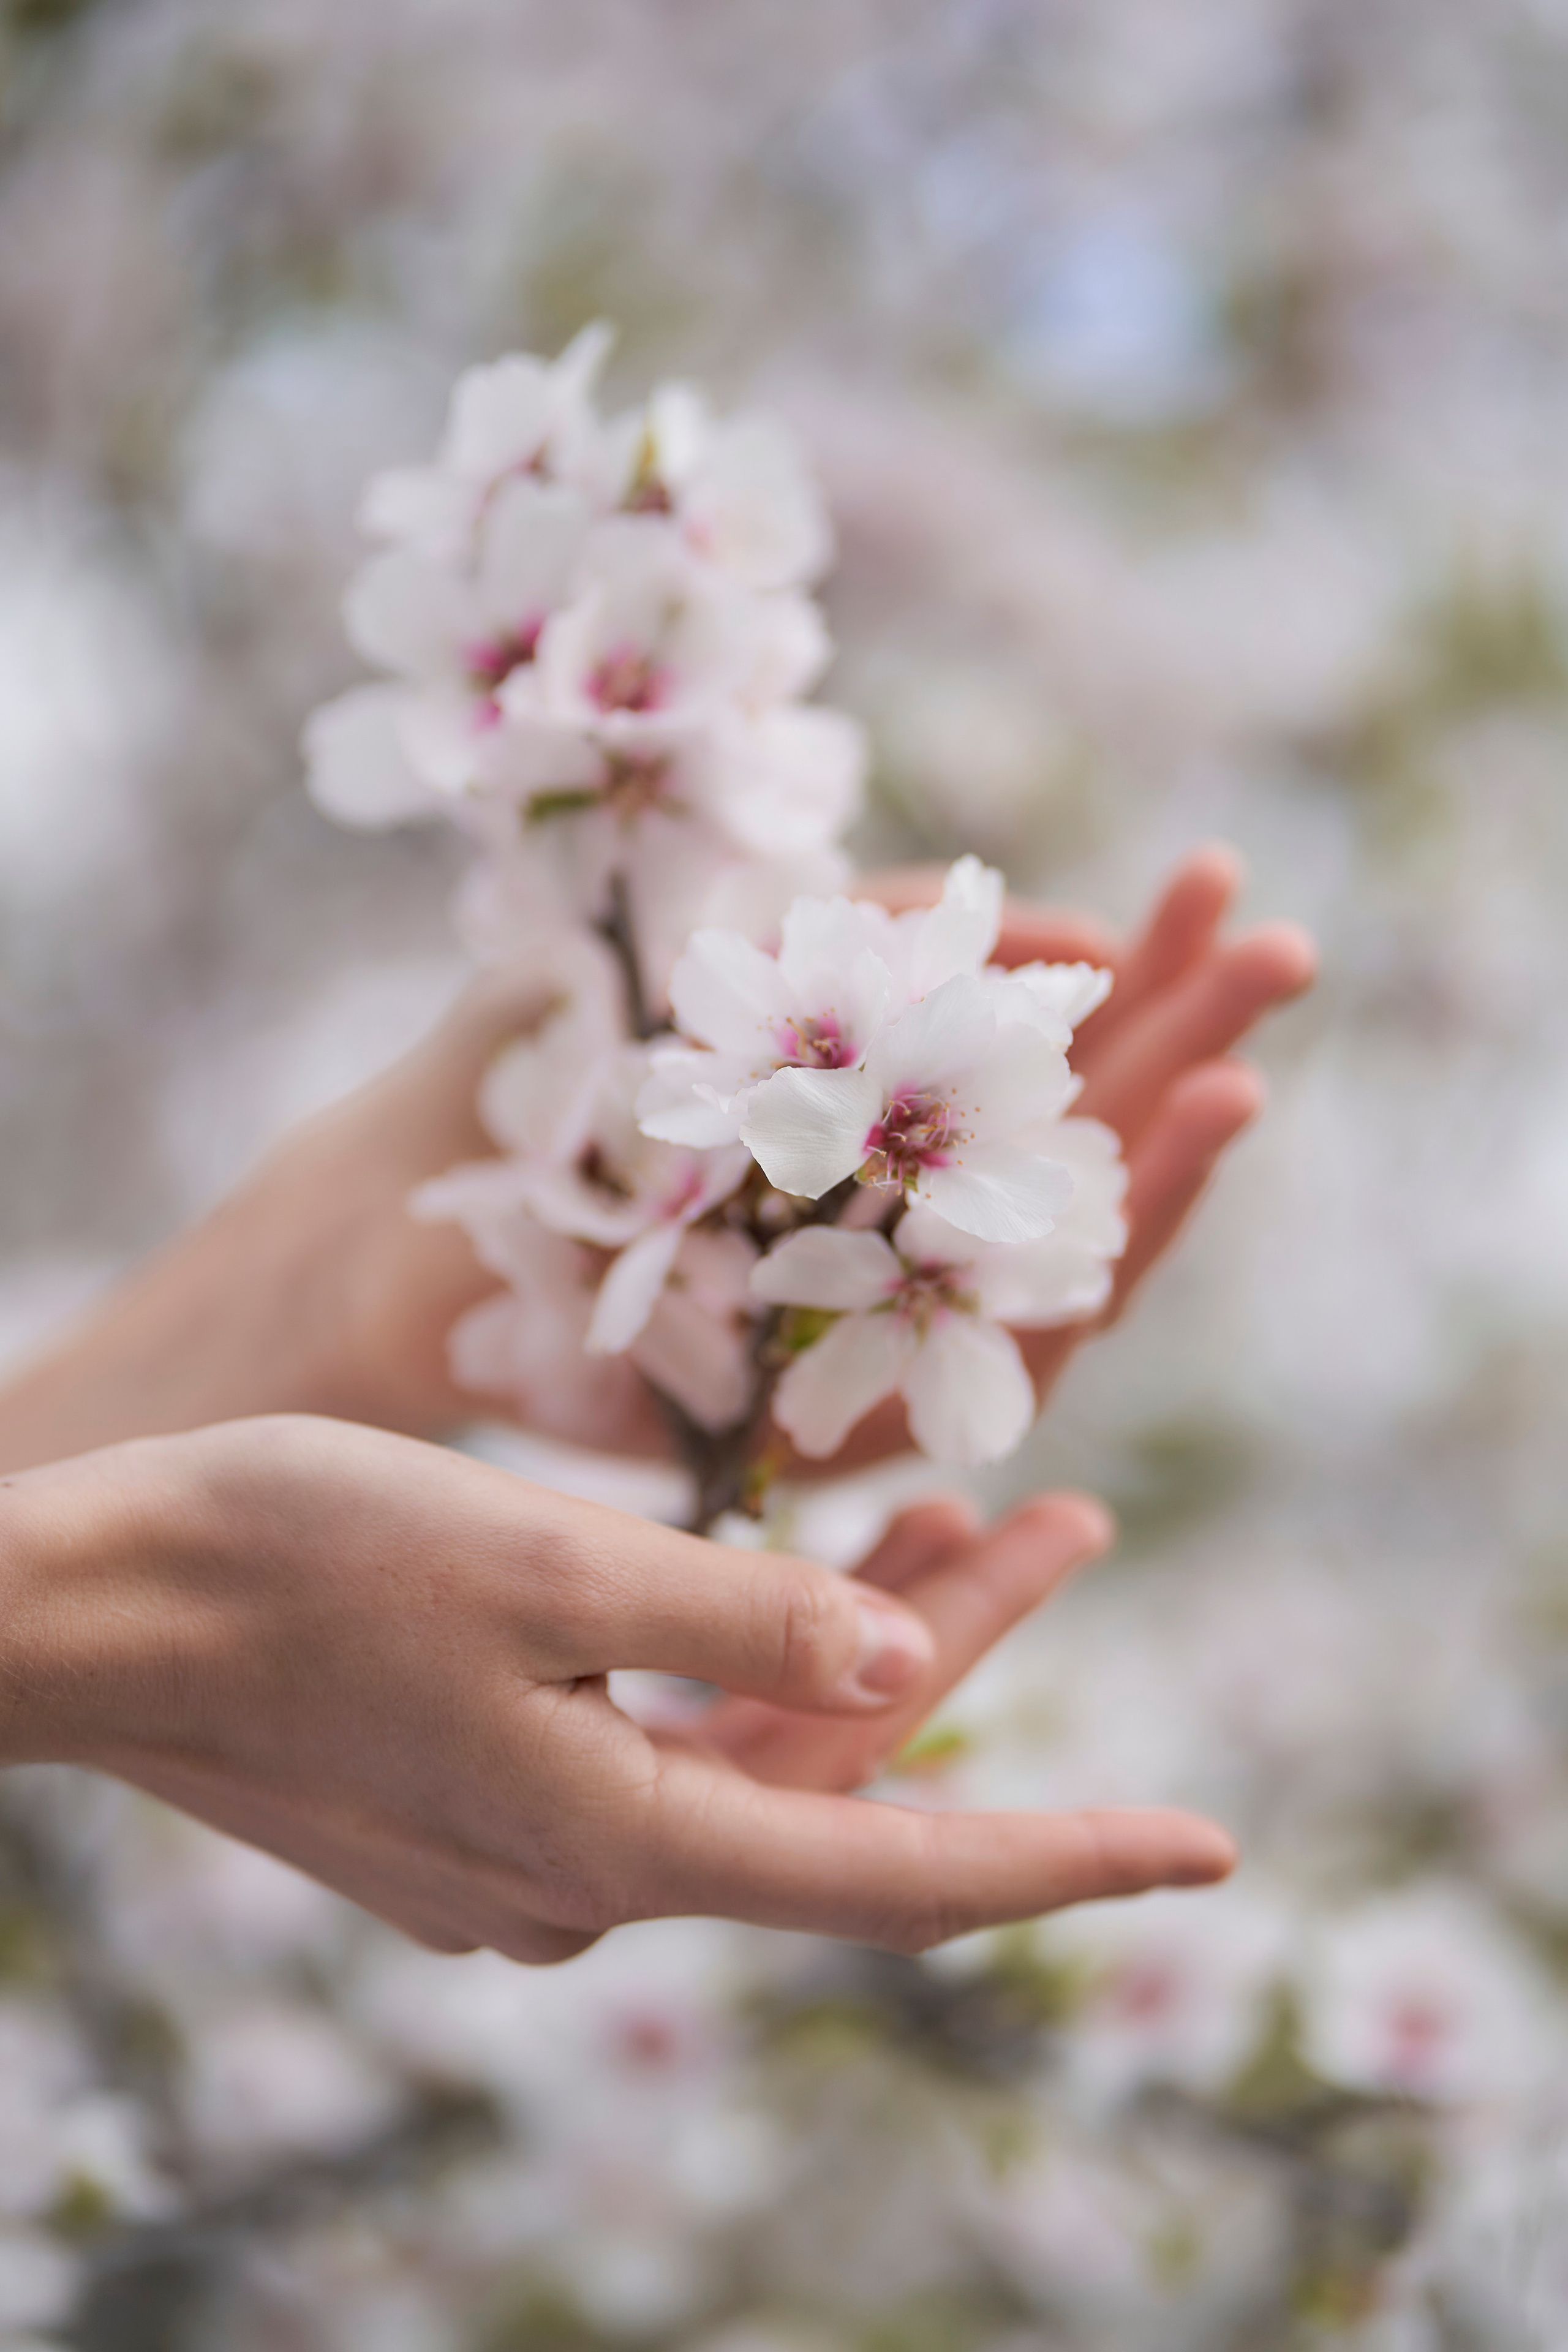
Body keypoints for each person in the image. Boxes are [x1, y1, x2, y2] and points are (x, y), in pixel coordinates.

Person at [0, 848, 1313, 1964]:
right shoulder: (811, 1135)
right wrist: (148, 1610)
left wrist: (309, 1299)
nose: (893, 1135)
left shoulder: (888, 1176)